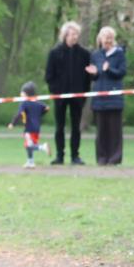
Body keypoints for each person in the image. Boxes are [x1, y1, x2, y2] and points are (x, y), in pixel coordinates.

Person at [44, 20, 92, 165]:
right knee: (60, 127)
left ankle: (75, 156)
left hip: (78, 97)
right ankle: (60, 156)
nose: (75, 37)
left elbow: (88, 76)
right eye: (72, 34)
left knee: (76, 127)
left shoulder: (84, 54)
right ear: (65, 35)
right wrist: (56, 91)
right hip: (60, 97)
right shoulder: (54, 53)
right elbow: (49, 76)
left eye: (77, 34)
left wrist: (83, 93)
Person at [86, 26, 127, 165]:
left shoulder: (119, 54)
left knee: (115, 130)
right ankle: (102, 158)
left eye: (110, 37)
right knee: (101, 131)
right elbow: (95, 77)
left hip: (115, 98)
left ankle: (114, 158)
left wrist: (109, 69)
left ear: (113, 39)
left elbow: (121, 72)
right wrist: (94, 73)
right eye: (105, 37)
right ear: (100, 39)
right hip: (99, 99)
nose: (107, 40)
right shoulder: (95, 55)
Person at [8, 81, 51, 168]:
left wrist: (12, 123)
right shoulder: (38, 102)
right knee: (29, 145)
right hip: (37, 128)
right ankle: (30, 162)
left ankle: (43, 147)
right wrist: (39, 114)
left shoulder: (24, 103)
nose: (20, 94)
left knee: (29, 145)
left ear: (26, 94)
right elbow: (47, 108)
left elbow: (19, 114)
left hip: (29, 128)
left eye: (22, 92)